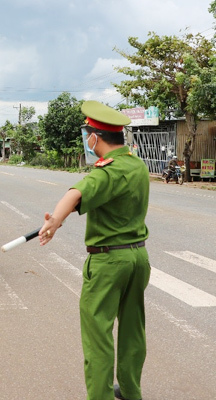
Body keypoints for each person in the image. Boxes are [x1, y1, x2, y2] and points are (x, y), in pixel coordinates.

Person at [38, 101, 150, 400]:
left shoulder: (106, 171)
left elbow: (76, 192)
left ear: (93, 138)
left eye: (87, 135)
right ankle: (129, 390)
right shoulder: (137, 165)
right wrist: (60, 218)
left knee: (98, 335)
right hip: (138, 256)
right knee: (132, 328)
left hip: (109, 261)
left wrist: (55, 221)